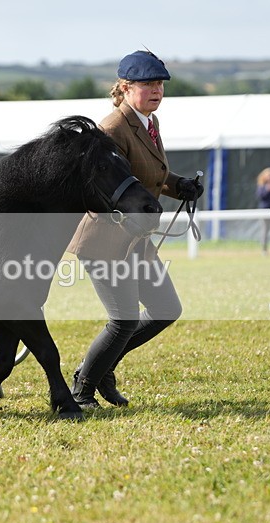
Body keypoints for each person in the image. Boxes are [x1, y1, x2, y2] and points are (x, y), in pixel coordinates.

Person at [67, 50, 204, 409]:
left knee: (165, 309)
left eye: (159, 84)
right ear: (125, 88)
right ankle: (82, 389)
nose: (156, 90)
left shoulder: (147, 122)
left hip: (136, 239)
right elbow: (102, 185)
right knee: (123, 320)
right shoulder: (112, 128)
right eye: (147, 84)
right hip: (106, 239)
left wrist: (180, 186)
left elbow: (148, 175)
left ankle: (101, 368)